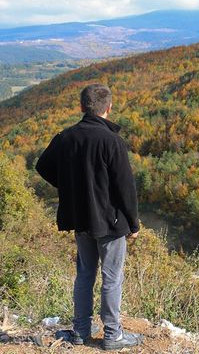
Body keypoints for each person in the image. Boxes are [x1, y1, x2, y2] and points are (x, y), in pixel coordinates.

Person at [36, 84, 143, 351]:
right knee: (111, 277)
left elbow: (42, 166)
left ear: (82, 107)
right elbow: (125, 187)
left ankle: (81, 332)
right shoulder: (112, 141)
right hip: (110, 222)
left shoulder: (66, 137)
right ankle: (112, 336)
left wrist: (69, 186)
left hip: (80, 217)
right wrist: (133, 223)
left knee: (85, 274)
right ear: (109, 107)